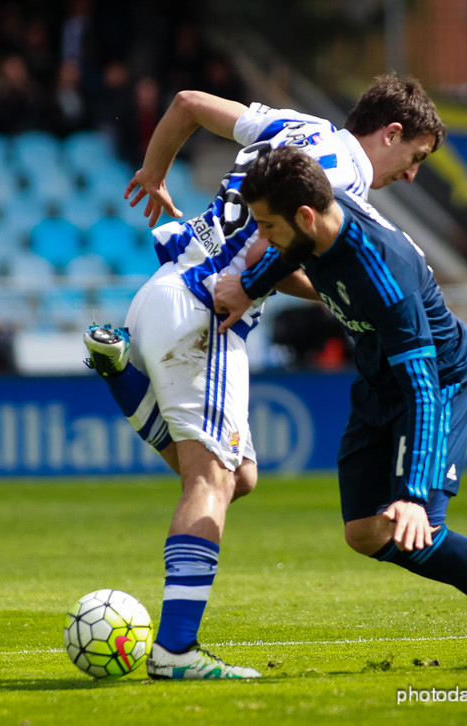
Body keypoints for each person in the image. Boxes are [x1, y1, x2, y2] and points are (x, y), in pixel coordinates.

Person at [81, 75, 444, 679]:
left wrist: (154, 172)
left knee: (238, 475)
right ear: (392, 132)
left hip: (160, 293)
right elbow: (263, 263)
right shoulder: (340, 180)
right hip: (208, 310)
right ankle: (175, 652)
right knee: (210, 479)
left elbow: (187, 105)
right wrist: (346, 296)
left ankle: (122, 373)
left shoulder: (293, 126)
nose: (410, 174)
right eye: (416, 158)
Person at [217, 145, 467, 672]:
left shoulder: (383, 273)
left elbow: (423, 388)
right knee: (364, 532)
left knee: (415, 526)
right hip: (380, 380)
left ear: (305, 216)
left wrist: (413, 495)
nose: (261, 239)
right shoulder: (312, 219)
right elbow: (288, 250)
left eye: (267, 226)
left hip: (438, 385)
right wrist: (249, 285)